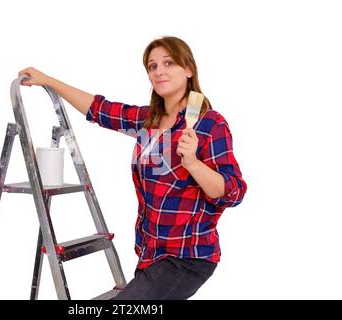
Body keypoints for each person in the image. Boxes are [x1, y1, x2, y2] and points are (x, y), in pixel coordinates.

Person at [18, 36, 247, 300]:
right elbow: (99, 110)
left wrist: (193, 163)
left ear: (188, 69)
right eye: (152, 66)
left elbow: (233, 192)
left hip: (188, 256)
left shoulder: (209, 124)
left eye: (169, 63)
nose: (159, 71)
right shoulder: (147, 121)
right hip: (150, 255)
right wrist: (48, 80)